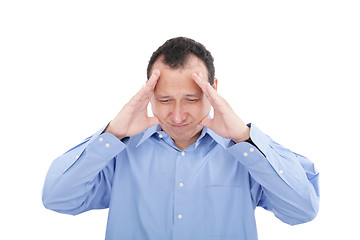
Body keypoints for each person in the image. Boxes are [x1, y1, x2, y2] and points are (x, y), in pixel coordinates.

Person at [42, 37, 319, 240]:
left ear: (214, 90)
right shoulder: (119, 153)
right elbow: (57, 198)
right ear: (148, 94)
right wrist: (112, 134)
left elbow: (302, 211)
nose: (177, 116)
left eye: (191, 99)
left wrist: (245, 141)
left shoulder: (247, 154)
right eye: (164, 100)